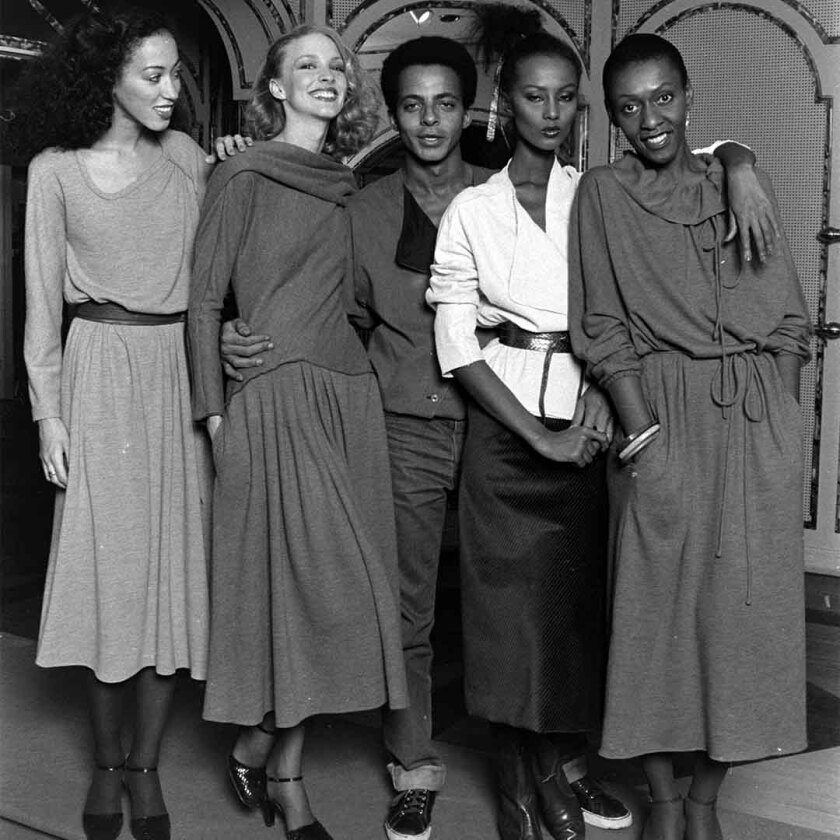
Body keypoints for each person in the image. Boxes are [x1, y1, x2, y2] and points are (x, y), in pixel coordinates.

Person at [425, 16, 783, 840]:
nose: (549, 113)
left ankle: (558, 770)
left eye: (565, 100)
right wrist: (538, 434)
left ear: (584, 115)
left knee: (574, 622)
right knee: (507, 624)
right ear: (504, 104)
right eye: (531, 97)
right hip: (507, 427)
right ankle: (520, 781)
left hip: (590, 429)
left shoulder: (596, 190)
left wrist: (739, 158)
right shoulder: (471, 210)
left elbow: (687, 156)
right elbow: (456, 343)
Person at [568, 33, 810, 840]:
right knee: (653, 623)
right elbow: (600, 326)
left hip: (751, 427)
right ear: (613, 119)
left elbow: (789, 321)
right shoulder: (601, 195)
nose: (651, 118)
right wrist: (646, 438)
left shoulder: (740, 181)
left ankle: (705, 803)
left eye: (663, 97)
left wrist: (778, 421)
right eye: (630, 106)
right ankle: (665, 803)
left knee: (743, 623)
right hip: (660, 421)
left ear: (689, 95)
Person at [187, 25, 407, 840]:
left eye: (335, 65)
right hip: (272, 399)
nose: (326, 75)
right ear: (274, 88)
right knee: (305, 593)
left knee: (341, 598)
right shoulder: (241, 169)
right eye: (304, 66)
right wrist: (214, 412)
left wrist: (732, 151)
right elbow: (207, 299)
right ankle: (284, 776)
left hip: (349, 399)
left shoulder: (352, 184)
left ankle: (264, 751)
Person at [21, 9, 212, 840]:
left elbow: (222, 273)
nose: (173, 91)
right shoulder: (53, 171)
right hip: (96, 374)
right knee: (108, 580)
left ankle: (146, 766)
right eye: (155, 76)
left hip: (174, 376)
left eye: (176, 75)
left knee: (170, 579)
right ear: (109, 81)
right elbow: (38, 310)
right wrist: (47, 416)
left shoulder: (188, 161)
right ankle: (105, 766)